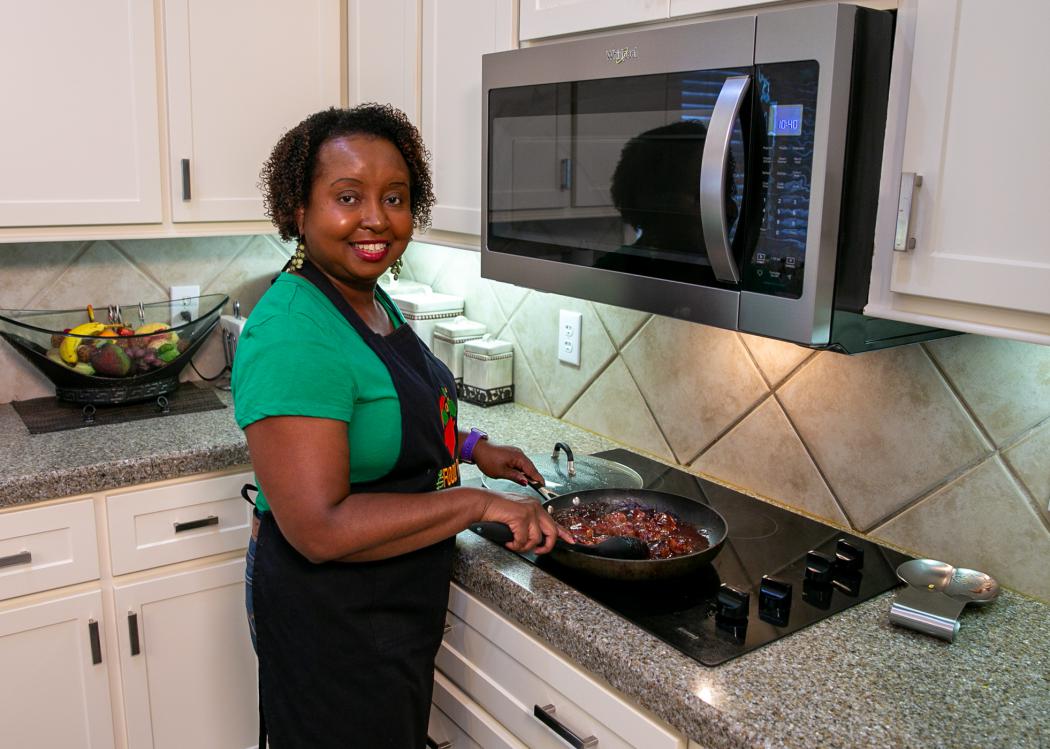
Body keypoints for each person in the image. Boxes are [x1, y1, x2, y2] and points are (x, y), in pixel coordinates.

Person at [232, 103, 573, 749]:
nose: (376, 218)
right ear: (298, 211)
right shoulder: (294, 334)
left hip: (390, 600)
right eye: (347, 196)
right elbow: (320, 530)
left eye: (395, 196)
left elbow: (389, 408)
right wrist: (475, 502)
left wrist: (474, 447)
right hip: (334, 616)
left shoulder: (367, 296)